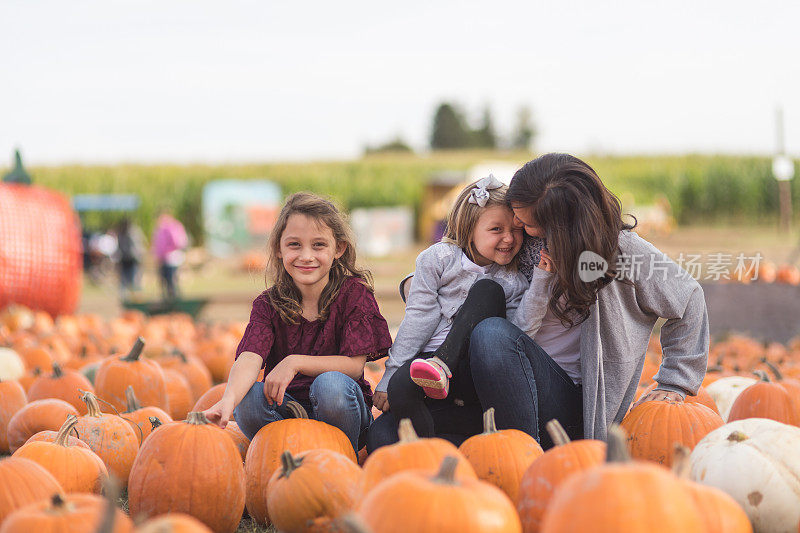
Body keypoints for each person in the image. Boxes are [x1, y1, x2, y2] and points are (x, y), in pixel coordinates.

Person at [466, 153, 709, 448]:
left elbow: (689, 297)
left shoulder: (619, 256)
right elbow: (459, 258)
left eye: (525, 220)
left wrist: (676, 381)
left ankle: (524, 455)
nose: (514, 221)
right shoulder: (517, 240)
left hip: (576, 405)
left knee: (492, 335)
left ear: (559, 224)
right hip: (510, 385)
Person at [203, 192, 392, 452]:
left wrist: (294, 362)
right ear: (278, 249)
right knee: (247, 398)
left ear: (339, 249)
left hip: (340, 411)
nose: (306, 256)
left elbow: (354, 366)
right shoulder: (267, 305)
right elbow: (249, 357)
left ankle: (341, 456)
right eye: (294, 245)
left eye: (318, 245)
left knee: (330, 386)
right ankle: (287, 458)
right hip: (286, 408)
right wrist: (228, 399)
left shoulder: (354, 295)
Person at [371, 176, 529, 442]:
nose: (509, 239)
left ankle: (442, 366)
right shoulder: (438, 259)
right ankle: (432, 447)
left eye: (515, 230)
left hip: (470, 369)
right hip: (426, 368)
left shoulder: (512, 280)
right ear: (468, 230)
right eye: (496, 230)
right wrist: (389, 374)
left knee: (488, 291)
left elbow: (512, 337)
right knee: (381, 434)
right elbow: (419, 316)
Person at [151, 210, 188, 301]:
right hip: (165, 257)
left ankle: (174, 298)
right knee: (166, 279)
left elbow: (176, 242)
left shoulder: (170, 228)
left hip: (171, 256)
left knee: (171, 278)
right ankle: (169, 297)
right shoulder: (162, 229)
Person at [115, 218, 145, 299]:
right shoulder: (121, 234)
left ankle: (135, 298)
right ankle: (126, 298)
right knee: (124, 282)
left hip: (133, 260)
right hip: (124, 260)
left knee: (134, 281)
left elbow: (137, 248)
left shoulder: (134, 232)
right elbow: (119, 247)